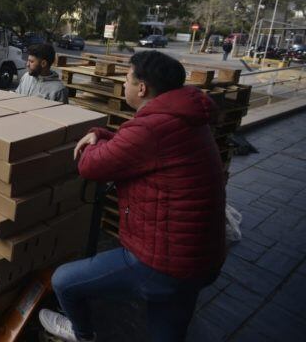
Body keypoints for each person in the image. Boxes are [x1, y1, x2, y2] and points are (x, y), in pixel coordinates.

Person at [39, 51, 225, 342]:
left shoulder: (153, 127)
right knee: (167, 326)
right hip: (200, 259)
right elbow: (141, 149)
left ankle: (82, 334)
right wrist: (102, 134)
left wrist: (93, 140)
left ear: (142, 88)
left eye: (126, 78)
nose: (123, 84)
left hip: (162, 262)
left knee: (63, 280)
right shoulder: (184, 119)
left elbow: (90, 166)